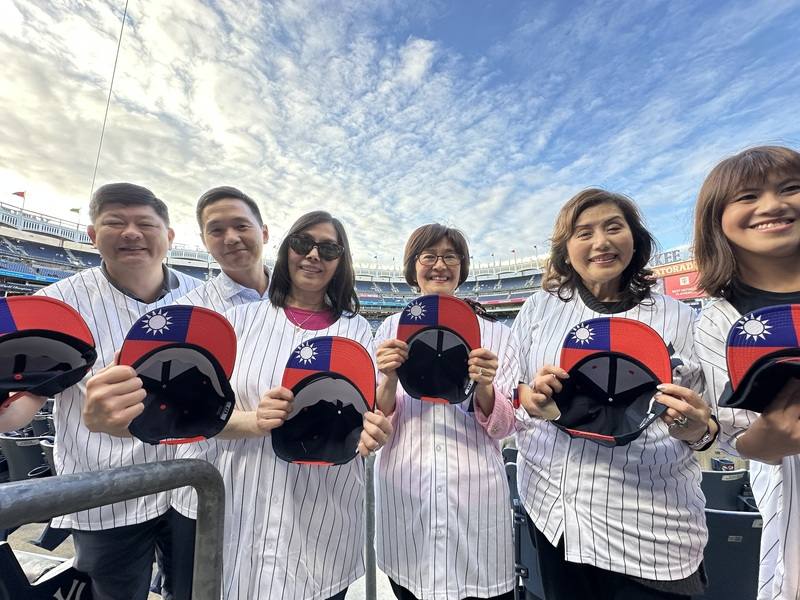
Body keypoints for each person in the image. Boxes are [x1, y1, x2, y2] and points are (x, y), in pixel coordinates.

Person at [512, 189, 714, 599]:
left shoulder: (679, 317)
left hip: (648, 533)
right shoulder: (540, 307)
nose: (600, 242)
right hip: (554, 517)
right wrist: (530, 401)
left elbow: (710, 428)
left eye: (613, 227)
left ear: (635, 240)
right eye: (583, 232)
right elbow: (512, 389)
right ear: (566, 251)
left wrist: (696, 429)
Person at [9, 183, 201, 600]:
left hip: (190, 490)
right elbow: (20, 408)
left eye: (145, 224)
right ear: (93, 235)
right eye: (115, 222)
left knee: (194, 592)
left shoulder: (205, 297)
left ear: (168, 237)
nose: (131, 232)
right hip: (106, 494)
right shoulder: (58, 303)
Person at [82, 185, 271, 598]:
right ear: (201, 241)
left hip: (267, 487)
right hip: (192, 486)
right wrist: (104, 418)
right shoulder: (190, 309)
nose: (231, 237)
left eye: (241, 225)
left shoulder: (296, 301)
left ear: (265, 231)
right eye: (216, 229)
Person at [214, 210, 391, 599]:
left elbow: (366, 413)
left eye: (328, 248)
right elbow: (207, 416)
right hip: (245, 498)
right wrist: (252, 420)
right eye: (302, 243)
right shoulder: (239, 320)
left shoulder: (355, 328)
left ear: (340, 262)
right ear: (286, 250)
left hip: (323, 506)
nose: (313, 255)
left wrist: (373, 430)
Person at [374, 223, 519, 600]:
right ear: (413, 265)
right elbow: (375, 423)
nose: (440, 265)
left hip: (475, 499)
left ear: (462, 266)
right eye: (429, 256)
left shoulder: (496, 334)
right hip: (405, 494)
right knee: (409, 587)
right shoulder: (389, 329)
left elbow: (506, 426)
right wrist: (388, 378)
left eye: (450, 256)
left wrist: (485, 385)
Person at [693, 146, 800, 600]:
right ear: (717, 220)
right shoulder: (720, 319)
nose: (773, 205)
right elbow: (740, 438)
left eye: (791, 188)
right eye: (748, 196)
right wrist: (777, 434)